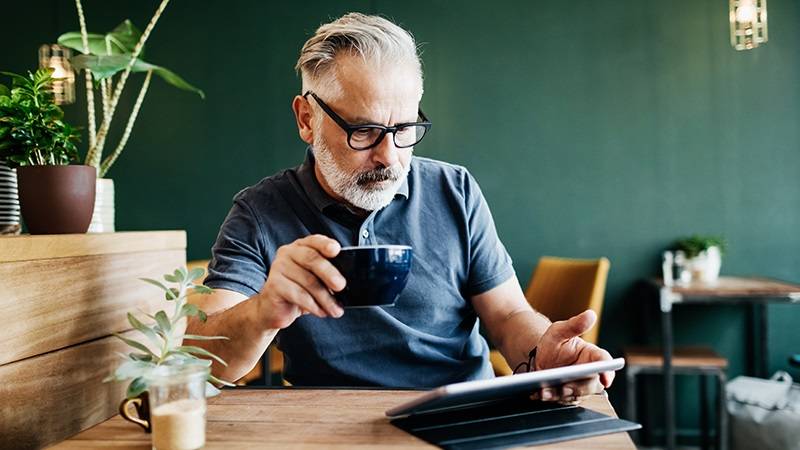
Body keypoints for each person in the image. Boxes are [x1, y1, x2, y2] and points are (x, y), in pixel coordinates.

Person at [188, 12, 614, 401]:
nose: (390, 157)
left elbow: (506, 314)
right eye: (365, 131)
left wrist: (544, 351)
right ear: (307, 119)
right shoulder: (260, 212)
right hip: (327, 422)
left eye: (405, 128)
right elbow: (201, 358)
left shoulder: (455, 189)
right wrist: (264, 311)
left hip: (461, 412)